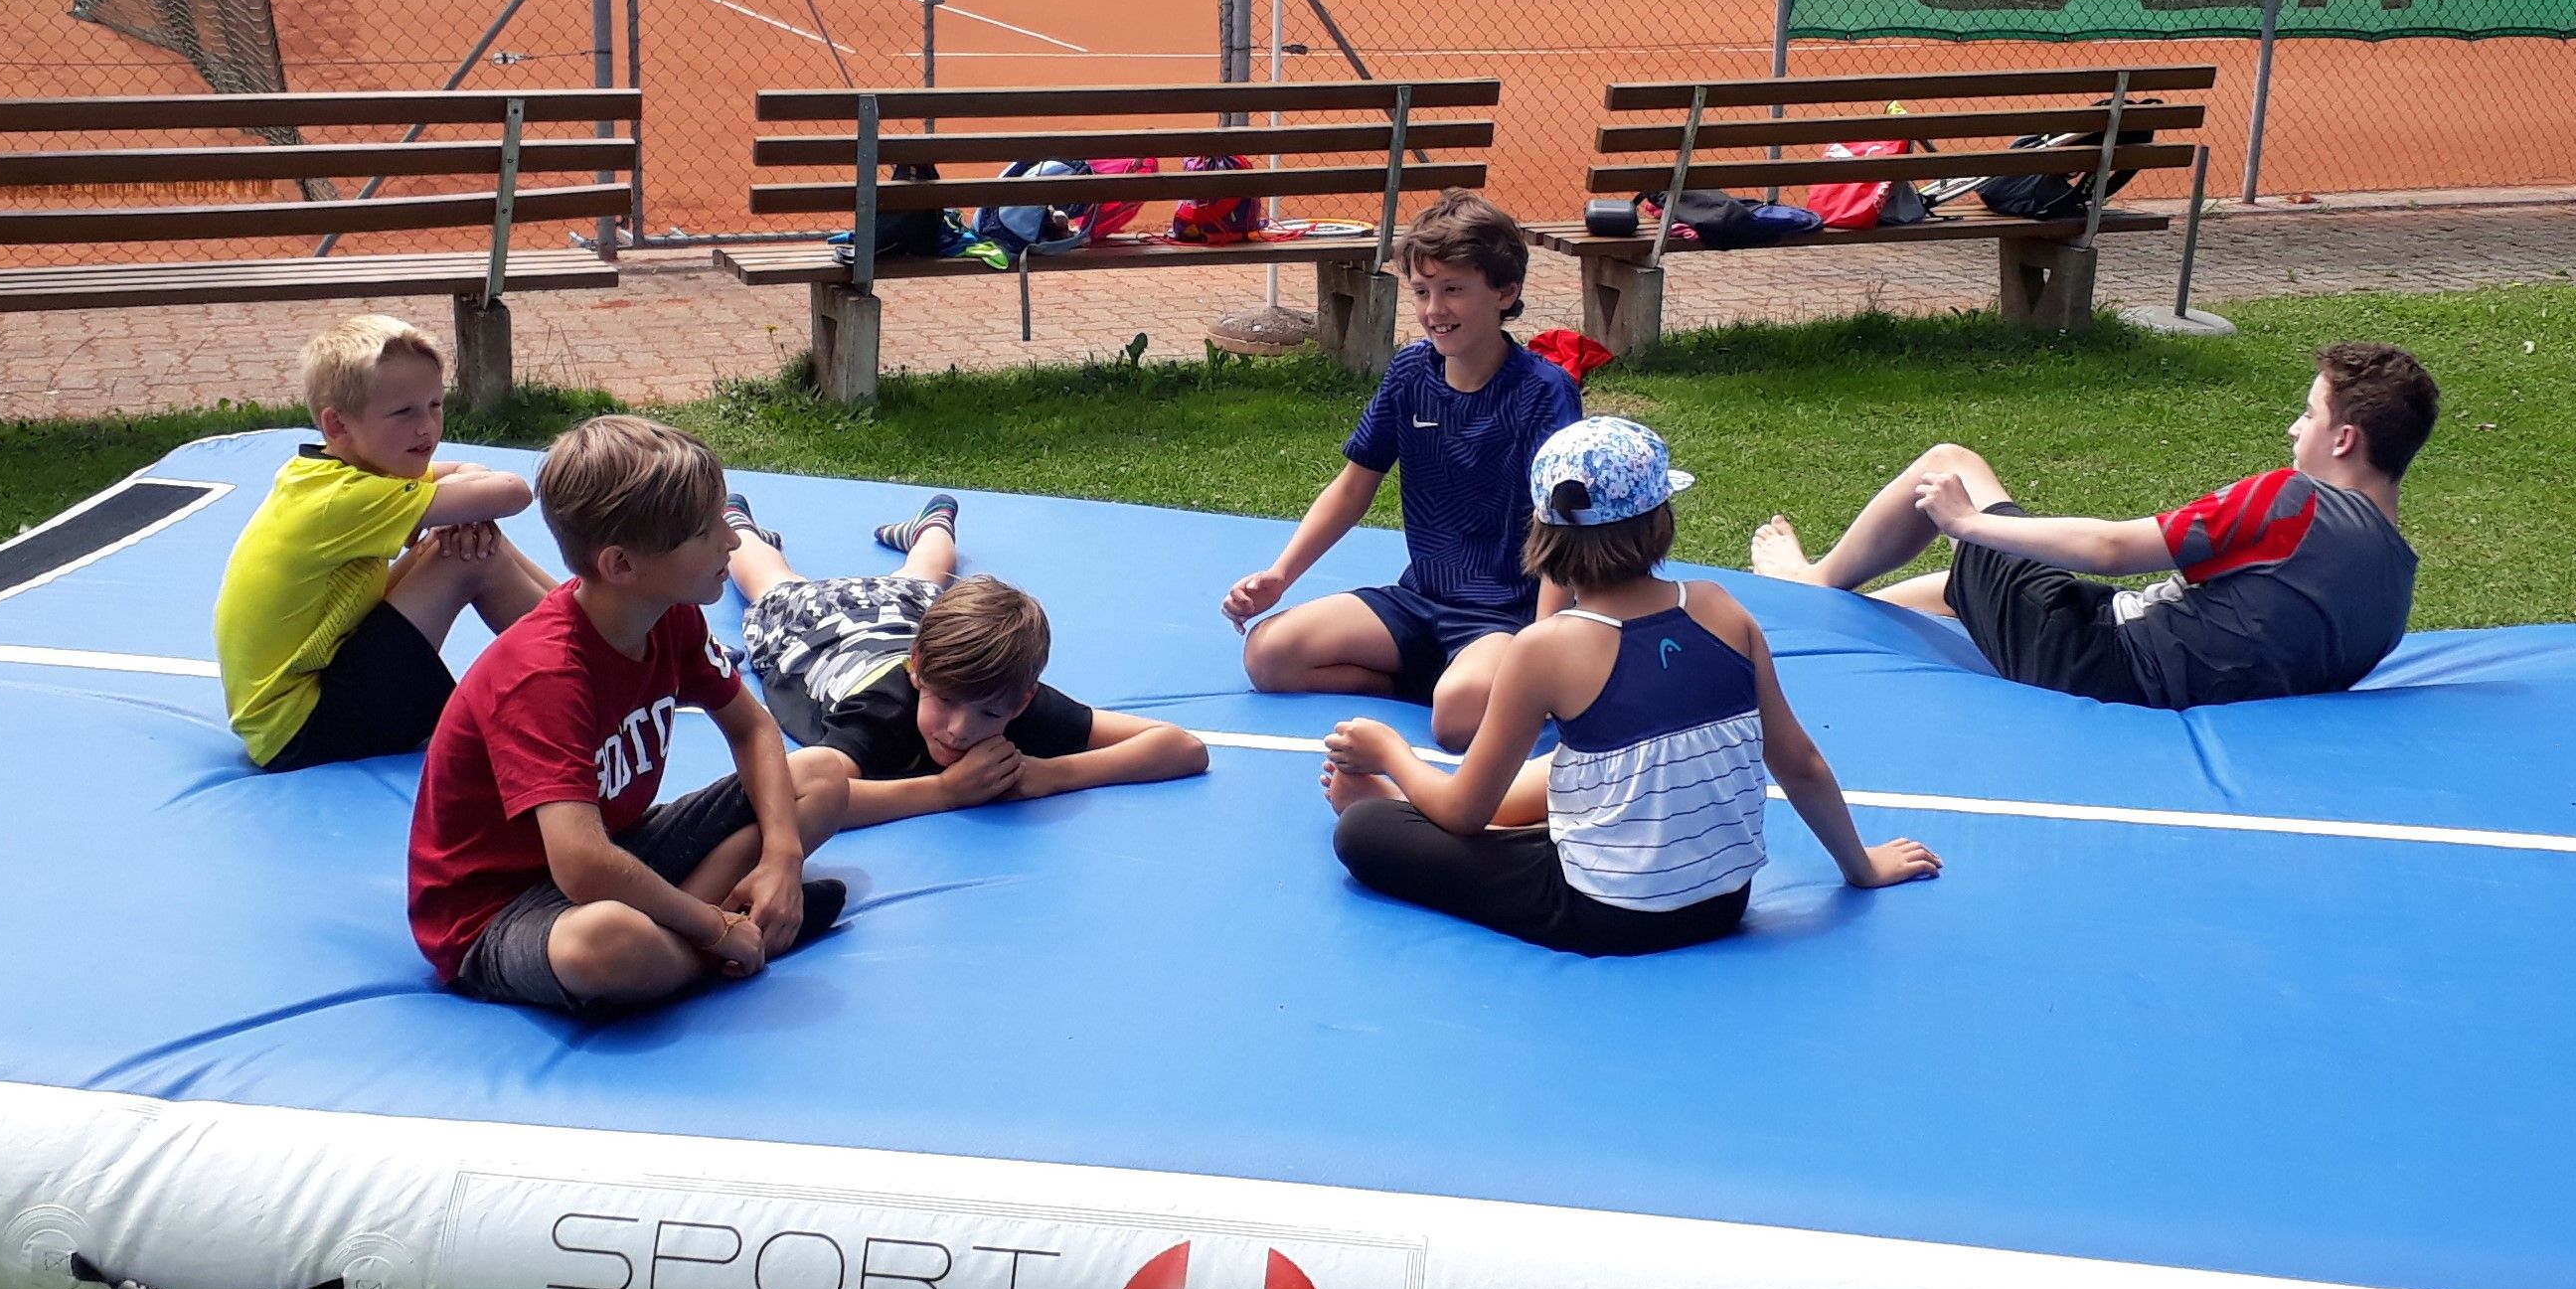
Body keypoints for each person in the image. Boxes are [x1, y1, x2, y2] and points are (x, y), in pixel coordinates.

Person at [1323, 417, 1940, 955]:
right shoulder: (1720, 607)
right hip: (1722, 901)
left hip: (1607, 914)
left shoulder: (1543, 649)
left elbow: (1465, 813)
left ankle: (1396, 803)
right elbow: (1799, 761)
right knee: (1574, 768)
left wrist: (1390, 753)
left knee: (1365, 830)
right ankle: (1475, 823)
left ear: (1540, 533)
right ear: (1660, 523)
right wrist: (1860, 866)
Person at [408, 415, 848, 1018]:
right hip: (500, 911)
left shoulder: (670, 611)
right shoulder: (545, 674)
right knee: (604, 942)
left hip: (617, 849)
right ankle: (720, 938)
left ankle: (704, 936)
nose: (732, 540)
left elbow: (751, 728)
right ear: (621, 565)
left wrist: (782, 859)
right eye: (704, 531)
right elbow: (582, 867)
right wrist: (713, 928)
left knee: (822, 777)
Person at [1748, 342, 2438, 710]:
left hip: (2097, 663)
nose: (2294, 427)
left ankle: (1808, 584)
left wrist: (1967, 521)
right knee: (1960, 587)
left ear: (2343, 439)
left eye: (2309, 414)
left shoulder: (2294, 502)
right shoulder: (2394, 585)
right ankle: (1836, 628)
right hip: (2157, 668)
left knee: (1949, 463)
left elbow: (2111, 547)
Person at [1222, 195, 1583, 748]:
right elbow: (1352, 488)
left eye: (1454, 289)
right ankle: (1421, 682)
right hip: (1420, 600)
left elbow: (1559, 524)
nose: (1434, 309)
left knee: (1457, 720)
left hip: (1505, 616)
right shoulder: (1411, 372)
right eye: (1421, 291)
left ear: (1506, 293)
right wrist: (1280, 576)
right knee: (1269, 656)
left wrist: (1543, 644)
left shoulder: (1544, 392)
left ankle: (1474, 684)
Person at [724, 488, 1209, 825]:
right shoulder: (880, 712)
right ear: (917, 670)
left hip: (902, 616)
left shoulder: (1006, 690)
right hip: (817, 631)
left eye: (989, 714)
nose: (958, 730)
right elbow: (804, 795)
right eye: (945, 701)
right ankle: (735, 524)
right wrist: (944, 792)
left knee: (920, 582)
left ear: (1022, 701)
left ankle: (933, 524)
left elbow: (1183, 747)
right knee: (772, 580)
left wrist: (1053, 774)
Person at [214, 314, 552, 772]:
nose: (427, 427)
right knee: (467, 554)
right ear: (338, 424)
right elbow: (513, 492)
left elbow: (459, 476)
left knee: (458, 537)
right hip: (305, 730)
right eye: (404, 412)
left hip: (308, 703)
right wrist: (468, 493)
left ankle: (584, 627)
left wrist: (463, 495)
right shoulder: (344, 500)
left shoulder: (336, 471)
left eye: (435, 404)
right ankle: (592, 656)